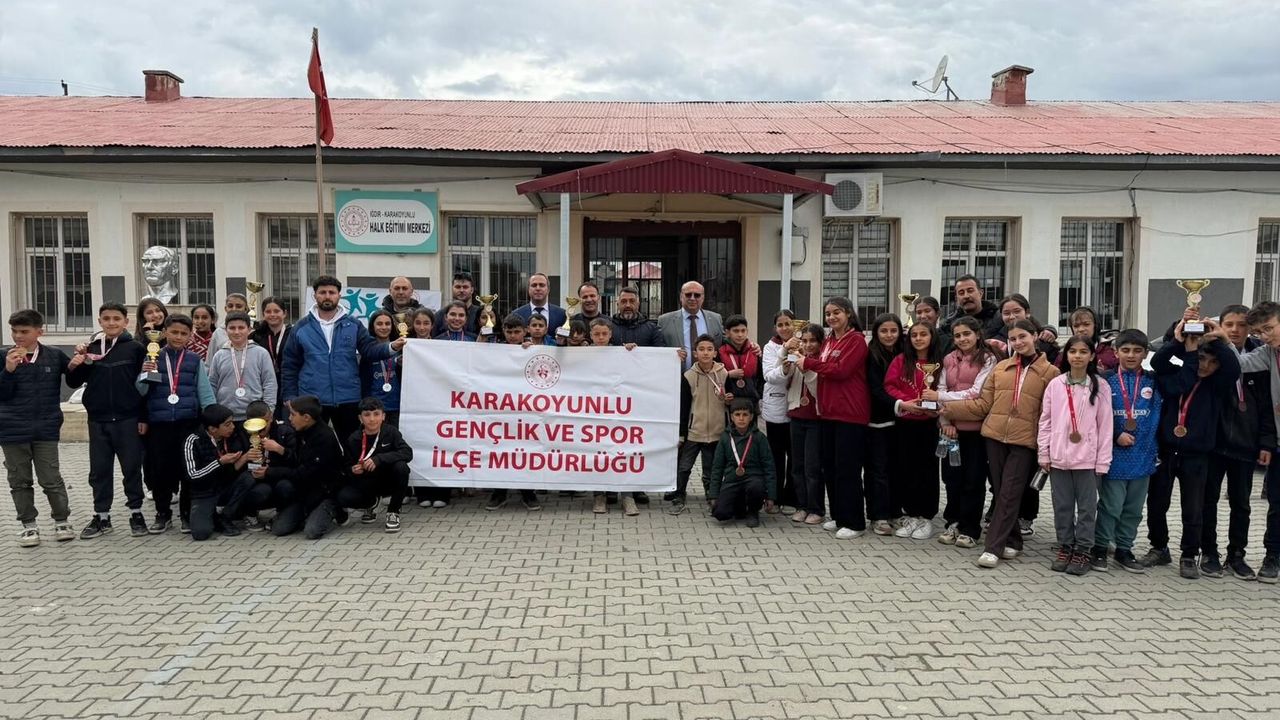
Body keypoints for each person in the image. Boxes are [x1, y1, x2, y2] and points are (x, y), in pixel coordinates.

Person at [943, 319, 1059, 569]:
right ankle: (1014, 541)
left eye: (1023, 337)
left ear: (1035, 336)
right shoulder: (1001, 368)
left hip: (1024, 441)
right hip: (994, 437)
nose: (1018, 342)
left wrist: (1045, 448)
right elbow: (983, 405)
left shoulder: (1051, 373)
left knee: (1009, 493)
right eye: (1013, 338)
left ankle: (992, 547)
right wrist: (946, 408)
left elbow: (1048, 415)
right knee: (1001, 491)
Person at [1147, 318, 1240, 579]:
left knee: (1193, 508)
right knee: (1157, 503)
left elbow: (1233, 369)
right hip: (1166, 451)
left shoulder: (1216, 385)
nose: (1205, 366)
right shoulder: (1175, 378)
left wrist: (1220, 341)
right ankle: (1159, 547)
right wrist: (1178, 341)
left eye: (1212, 362)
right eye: (1201, 359)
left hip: (1197, 454)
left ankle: (1189, 554)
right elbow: (1158, 363)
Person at [281, 275, 404, 444]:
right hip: (312, 399)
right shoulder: (301, 327)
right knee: (313, 447)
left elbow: (369, 350)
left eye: (332, 292)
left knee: (351, 446)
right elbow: (290, 364)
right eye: (322, 292)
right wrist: (289, 395)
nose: (327, 296)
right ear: (315, 296)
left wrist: (392, 347)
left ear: (339, 295)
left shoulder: (353, 324)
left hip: (348, 397)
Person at [788, 296, 870, 541]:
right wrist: (802, 358)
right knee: (831, 468)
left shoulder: (857, 340)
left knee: (847, 470)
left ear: (848, 313)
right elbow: (821, 367)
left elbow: (841, 370)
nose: (831, 317)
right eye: (828, 314)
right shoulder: (829, 341)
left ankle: (855, 522)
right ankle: (838, 516)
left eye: (836, 312)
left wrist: (809, 363)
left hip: (850, 413)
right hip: (827, 412)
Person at [1203, 304, 1274, 580]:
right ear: (1220, 325)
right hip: (1213, 441)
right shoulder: (1210, 351)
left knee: (1241, 504)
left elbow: (1268, 405)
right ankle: (1209, 552)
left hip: (1246, 442)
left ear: (1250, 329)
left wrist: (1266, 442)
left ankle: (1237, 555)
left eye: (1242, 325)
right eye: (1229, 324)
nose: (1235, 330)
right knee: (1208, 500)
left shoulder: (1262, 357)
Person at [67, 303, 149, 539]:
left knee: (131, 468)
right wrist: (77, 364)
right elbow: (73, 382)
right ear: (100, 321)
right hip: (99, 420)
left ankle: (136, 513)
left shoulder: (136, 348)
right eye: (106, 319)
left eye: (116, 318)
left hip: (128, 419)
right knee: (99, 470)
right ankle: (101, 515)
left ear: (126, 322)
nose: (111, 323)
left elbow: (145, 386)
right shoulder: (91, 348)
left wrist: (143, 417)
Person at [1037, 336, 1113, 576]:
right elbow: (1045, 421)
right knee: (1063, 506)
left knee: (1087, 509)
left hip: (1087, 461)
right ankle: (1065, 546)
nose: (1077, 356)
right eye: (1073, 351)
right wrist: (1044, 453)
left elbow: (1106, 426)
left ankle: (1083, 549)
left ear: (1092, 356)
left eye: (1083, 352)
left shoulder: (1100, 386)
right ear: (1066, 355)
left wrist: (1102, 462)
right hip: (1059, 458)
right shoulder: (1055, 384)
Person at [136, 314, 216, 534]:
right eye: (174, 332)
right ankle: (163, 514)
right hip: (160, 423)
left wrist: (210, 419)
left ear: (190, 336)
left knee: (187, 470)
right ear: (165, 333)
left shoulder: (194, 360)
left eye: (183, 333)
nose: (178, 337)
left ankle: (186, 515)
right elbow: (141, 390)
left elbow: (205, 392)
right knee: (160, 470)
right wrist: (146, 373)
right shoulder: (153, 356)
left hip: (187, 422)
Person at [1, 309, 74, 546]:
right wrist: (8, 370)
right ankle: (28, 525)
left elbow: (74, 379)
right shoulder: (3, 356)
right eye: (14, 331)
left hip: (45, 428)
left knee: (51, 478)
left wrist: (79, 363)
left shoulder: (54, 355)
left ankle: (62, 520)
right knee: (19, 481)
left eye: (24, 331)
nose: (18, 336)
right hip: (12, 429)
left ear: (39, 332)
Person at [926, 315, 995, 549]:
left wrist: (940, 397)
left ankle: (970, 528)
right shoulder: (948, 359)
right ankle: (953, 522)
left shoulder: (988, 359)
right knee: (951, 479)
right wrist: (945, 421)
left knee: (973, 480)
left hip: (975, 431)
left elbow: (976, 393)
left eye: (967, 334)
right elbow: (940, 387)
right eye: (957, 335)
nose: (962, 339)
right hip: (950, 430)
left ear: (977, 334)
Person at [1095, 329, 1161, 574]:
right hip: (1114, 457)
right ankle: (1100, 547)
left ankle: (1124, 549)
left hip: (1144, 455)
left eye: (1137, 351)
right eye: (1125, 350)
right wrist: (1115, 434)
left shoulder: (1154, 381)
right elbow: (1096, 416)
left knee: (1133, 510)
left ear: (1145, 353)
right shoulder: (1105, 381)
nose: (1131, 355)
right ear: (1115, 352)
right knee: (1111, 507)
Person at [883, 321, 944, 540]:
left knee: (927, 470)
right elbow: (889, 385)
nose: (918, 338)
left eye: (923, 334)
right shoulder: (901, 360)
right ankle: (910, 515)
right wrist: (907, 402)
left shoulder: (940, 362)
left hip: (929, 424)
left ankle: (926, 517)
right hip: (905, 423)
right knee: (905, 469)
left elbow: (946, 388)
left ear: (932, 336)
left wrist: (935, 407)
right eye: (914, 335)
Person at [267, 395, 345, 539]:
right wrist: (281, 451)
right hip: (304, 492)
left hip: (325, 492)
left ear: (306, 417)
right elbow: (296, 460)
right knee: (279, 529)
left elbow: (304, 473)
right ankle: (302, 513)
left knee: (312, 532)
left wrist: (270, 472)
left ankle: (335, 510)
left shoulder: (324, 438)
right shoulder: (300, 431)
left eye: (293, 414)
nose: (289, 418)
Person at [669, 335, 730, 515]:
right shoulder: (688, 376)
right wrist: (682, 433)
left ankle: (711, 496)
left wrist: (729, 400)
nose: (705, 353)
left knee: (710, 469)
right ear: (695, 353)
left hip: (717, 431)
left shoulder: (724, 374)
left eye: (709, 349)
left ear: (715, 353)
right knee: (684, 467)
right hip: (694, 431)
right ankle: (679, 495)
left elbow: (730, 401)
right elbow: (683, 407)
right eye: (701, 349)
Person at [1241, 301, 1280, 583]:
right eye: (1259, 332)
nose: (1265, 336)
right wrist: (1221, 339)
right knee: (1277, 504)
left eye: (1269, 328)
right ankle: (1272, 556)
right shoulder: (1269, 353)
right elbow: (1240, 364)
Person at [339, 398, 413, 533]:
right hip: (367, 481)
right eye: (367, 415)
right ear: (360, 418)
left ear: (383, 416)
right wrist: (352, 469)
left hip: (388, 479)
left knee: (402, 468)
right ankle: (371, 503)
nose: (372, 419)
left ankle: (393, 511)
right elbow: (346, 465)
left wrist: (379, 459)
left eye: (376, 414)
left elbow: (407, 453)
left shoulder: (391, 432)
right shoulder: (354, 438)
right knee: (343, 497)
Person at [184, 404, 253, 541]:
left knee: (248, 478)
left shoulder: (232, 437)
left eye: (232, 422)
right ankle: (212, 516)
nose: (232, 427)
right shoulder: (193, 441)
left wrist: (245, 458)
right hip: (204, 493)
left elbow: (230, 472)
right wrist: (220, 462)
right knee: (201, 533)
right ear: (212, 429)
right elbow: (192, 475)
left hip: (224, 487)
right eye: (227, 424)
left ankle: (225, 517)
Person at [707, 398, 777, 527]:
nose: (741, 418)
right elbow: (717, 467)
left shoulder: (759, 438)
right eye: (737, 414)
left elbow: (769, 467)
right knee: (720, 513)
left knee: (755, 487)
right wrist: (714, 495)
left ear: (751, 417)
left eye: (745, 415)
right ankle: (739, 507)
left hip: (753, 478)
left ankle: (753, 512)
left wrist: (771, 496)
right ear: (731, 417)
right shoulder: (725, 438)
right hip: (732, 479)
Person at [864, 313, 905, 535]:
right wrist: (900, 404)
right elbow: (875, 389)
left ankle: (895, 511)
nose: (889, 335)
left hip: (900, 422)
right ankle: (878, 516)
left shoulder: (904, 353)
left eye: (893, 330)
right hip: (876, 421)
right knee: (877, 470)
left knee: (896, 468)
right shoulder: (871, 355)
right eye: (884, 331)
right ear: (876, 333)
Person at [207, 312, 277, 422]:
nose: (236, 332)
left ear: (249, 329)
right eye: (232, 328)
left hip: (255, 416)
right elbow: (212, 384)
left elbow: (270, 383)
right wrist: (214, 411)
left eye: (241, 328)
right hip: (226, 417)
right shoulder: (219, 355)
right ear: (226, 330)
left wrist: (269, 410)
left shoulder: (261, 353)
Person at [786, 323, 824, 525]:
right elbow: (782, 375)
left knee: (812, 467)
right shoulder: (797, 356)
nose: (808, 345)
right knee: (797, 465)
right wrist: (788, 357)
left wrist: (806, 367)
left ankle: (816, 508)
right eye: (805, 341)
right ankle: (801, 506)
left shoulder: (821, 361)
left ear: (820, 343)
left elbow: (818, 390)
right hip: (796, 415)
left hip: (815, 419)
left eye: (813, 341)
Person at [238, 399, 295, 530]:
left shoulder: (284, 431)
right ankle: (249, 513)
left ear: (271, 418)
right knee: (260, 491)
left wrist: (280, 449)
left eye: (264, 423)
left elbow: (296, 462)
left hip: (279, 477)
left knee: (285, 486)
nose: (261, 428)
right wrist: (246, 458)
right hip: (256, 480)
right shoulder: (242, 432)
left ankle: (281, 513)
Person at [760, 310, 796, 513]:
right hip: (776, 406)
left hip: (798, 406)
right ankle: (774, 496)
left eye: (788, 323)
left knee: (795, 456)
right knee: (776, 455)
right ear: (775, 327)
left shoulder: (803, 343)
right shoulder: (770, 347)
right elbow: (769, 376)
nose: (784, 328)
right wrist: (783, 363)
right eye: (780, 325)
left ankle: (791, 498)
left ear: (795, 325)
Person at [658, 281, 724, 370]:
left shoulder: (716, 319)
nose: (692, 298)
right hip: (677, 374)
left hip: (709, 375)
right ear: (681, 296)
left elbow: (725, 344)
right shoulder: (665, 320)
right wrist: (671, 354)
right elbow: (657, 349)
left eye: (697, 295)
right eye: (688, 295)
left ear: (703, 298)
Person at [360, 311, 402, 427]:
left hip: (397, 406)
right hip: (374, 409)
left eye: (387, 324)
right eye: (379, 324)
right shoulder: (367, 350)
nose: (384, 327)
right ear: (372, 326)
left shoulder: (400, 348)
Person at [1056, 306, 1117, 373]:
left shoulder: (1111, 351)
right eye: (1076, 326)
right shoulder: (1064, 353)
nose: (1081, 329)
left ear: (1095, 326)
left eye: (1086, 324)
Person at [717, 314, 762, 405]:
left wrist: (758, 395)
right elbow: (714, 377)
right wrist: (727, 375)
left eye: (743, 331)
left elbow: (761, 377)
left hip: (751, 402)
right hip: (729, 403)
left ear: (747, 331)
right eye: (736, 331)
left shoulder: (754, 351)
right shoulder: (720, 353)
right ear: (727, 333)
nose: (740, 335)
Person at [249, 296, 291, 392]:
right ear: (263, 314)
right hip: (262, 384)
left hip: (287, 383)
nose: (272, 314)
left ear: (284, 313)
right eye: (268, 312)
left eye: (276, 311)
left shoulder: (293, 334)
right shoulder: (256, 336)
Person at [433, 271, 483, 337]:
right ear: (452, 289)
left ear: (472, 290)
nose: (461, 290)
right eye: (458, 287)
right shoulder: (439, 315)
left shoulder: (481, 314)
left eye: (465, 287)